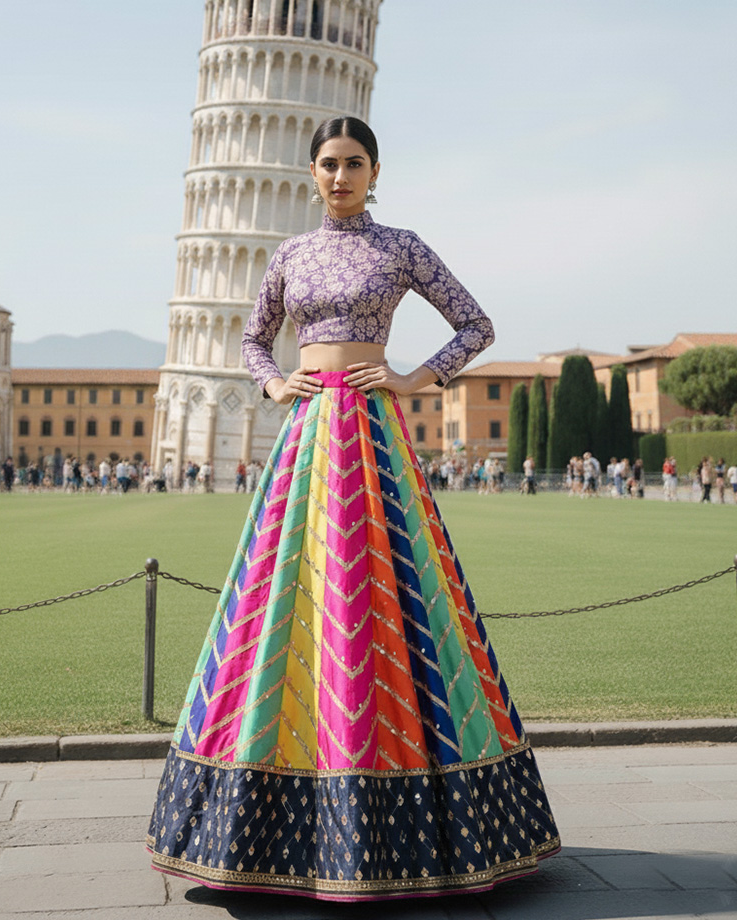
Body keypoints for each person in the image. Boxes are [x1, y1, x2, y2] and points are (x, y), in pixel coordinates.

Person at [147, 116, 560, 900]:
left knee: (389, 591)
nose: (341, 176)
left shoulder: (400, 245)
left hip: (375, 434)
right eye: (330, 164)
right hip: (306, 437)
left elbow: (475, 324)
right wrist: (273, 384)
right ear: (311, 173)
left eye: (355, 163)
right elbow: (254, 340)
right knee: (286, 594)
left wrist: (412, 380)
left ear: (375, 172)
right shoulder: (290, 253)